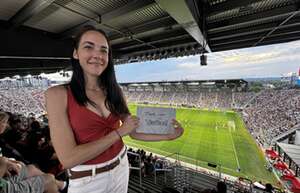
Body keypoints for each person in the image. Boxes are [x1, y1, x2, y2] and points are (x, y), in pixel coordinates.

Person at [45, 25, 184, 193]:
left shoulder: (114, 89)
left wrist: (169, 135)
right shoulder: (57, 94)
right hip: (88, 180)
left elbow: (133, 130)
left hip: (121, 167)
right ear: (76, 53)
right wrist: (118, 133)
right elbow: (68, 159)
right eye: (88, 47)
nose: (97, 55)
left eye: (104, 50)